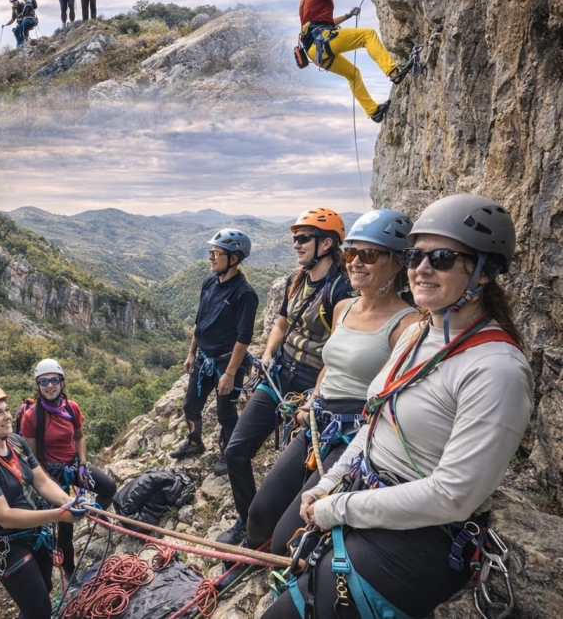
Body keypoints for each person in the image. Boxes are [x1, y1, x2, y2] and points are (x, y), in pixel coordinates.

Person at [264, 194, 533, 619]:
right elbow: (375, 424)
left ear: (484, 272)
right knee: (283, 551)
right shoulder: (417, 335)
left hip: (420, 535)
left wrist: (338, 507)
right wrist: (328, 483)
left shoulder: (497, 369)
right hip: (366, 490)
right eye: (415, 256)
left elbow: (452, 497)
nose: (422, 268)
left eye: (442, 258)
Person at [226, 211, 419, 588]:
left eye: (369, 255)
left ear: (397, 263)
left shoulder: (407, 326)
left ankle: (289, 581)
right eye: (353, 254)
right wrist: (311, 400)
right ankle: (251, 556)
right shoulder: (344, 307)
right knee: (260, 513)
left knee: (287, 537)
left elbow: (397, 401)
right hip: (318, 419)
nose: (356, 262)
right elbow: (330, 364)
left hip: (351, 435)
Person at [217, 208, 353, 547]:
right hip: (280, 372)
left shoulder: (342, 290)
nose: (296, 244)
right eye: (295, 238)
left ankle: (283, 530)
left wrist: (316, 397)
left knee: (301, 465)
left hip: (312, 380)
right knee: (236, 451)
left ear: (326, 243)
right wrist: (267, 353)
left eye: (303, 238)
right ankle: (249, 520)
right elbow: (281, 322)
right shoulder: (298, 280)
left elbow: (339, 349)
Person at [0, 383, 89, 618]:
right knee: (39, 609)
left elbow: (41, 481)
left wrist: (71, 501)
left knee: (44, 592)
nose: (8, 417)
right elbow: (5, 517)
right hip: (8, 546)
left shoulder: (16, 443)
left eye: (7, 410)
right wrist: (59, 514)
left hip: (36, 534)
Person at [171, 229, 259, 479]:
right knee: (191, 405)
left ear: (233, 258)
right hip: (204, 358)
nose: (210, 257)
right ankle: (194, 442)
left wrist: (230, 373)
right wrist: (191, 353)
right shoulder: (209, 282)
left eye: (216, 253)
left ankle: (228, 453)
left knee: (226, 413)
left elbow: (243, 338)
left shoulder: (244, 294)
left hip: (227, 362)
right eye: (211, 252)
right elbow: (200, 321)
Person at [17, 358, 116, 580]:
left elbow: (79, 437)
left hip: (73, 465)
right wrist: (47, 482)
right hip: (50, 474)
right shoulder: (31, 416)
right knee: (65, 526)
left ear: (62, 382)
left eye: (54, 380)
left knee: (108, 487)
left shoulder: (71, 408)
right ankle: (70, 571)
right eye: (44, 382)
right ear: (38, 385)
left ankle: (93, 513)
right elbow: (31, 457)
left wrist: (82, 464)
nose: (50, 385)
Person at [293, 0, 398, 123]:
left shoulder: (305, 0)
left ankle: (373, 111)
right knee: (367, 35)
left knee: (352, 74)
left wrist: (347, 16)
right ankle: (393, 71)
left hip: (314, 51)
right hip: (323, 41)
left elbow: (321, 23)